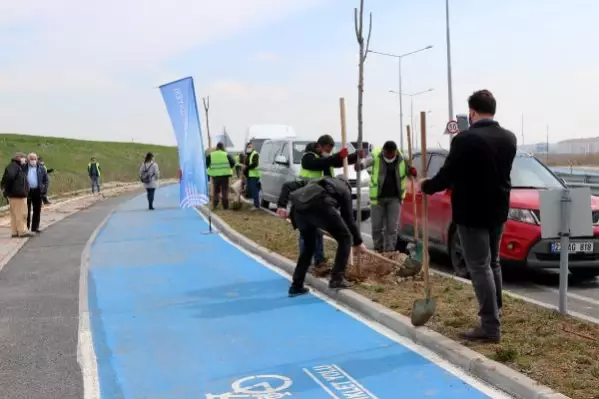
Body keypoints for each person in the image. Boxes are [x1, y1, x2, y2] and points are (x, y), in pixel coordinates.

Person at [420, 90, 517, 343]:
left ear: (472, 112)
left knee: (479, 266)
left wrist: (426, 186)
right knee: (493, 263)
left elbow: (447, 175)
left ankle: (490, 326)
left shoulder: (465, 139)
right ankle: (496, 312)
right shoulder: (509, 138)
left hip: (471, 213)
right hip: (498, 211)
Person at [276, 176, 366, 295]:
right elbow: (348, 219)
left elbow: (287, 185)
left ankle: (296, 286)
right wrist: (358, 242)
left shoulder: (316, 180)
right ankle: (336, 279)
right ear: (347, 185)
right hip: (320, 205)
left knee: (309, 247)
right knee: (345, 238)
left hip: (298, 210)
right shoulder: (344, 190)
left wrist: (281, 205)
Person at [298, 135, 360, 270]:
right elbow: (319, 163)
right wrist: (336, 156)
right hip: (306, 200)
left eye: (330, 150)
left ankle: (319, 260)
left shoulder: (326, 158)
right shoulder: (308, 157)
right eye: (326, 149)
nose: (328, 152)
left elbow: (338, 162)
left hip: (320, 201)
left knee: (318, 231)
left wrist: (354, 156)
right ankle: (305, 262)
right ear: (319, 146)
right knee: (307, 233)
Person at [356, 140, 417, 253]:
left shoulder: (402, 159)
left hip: (395, 198)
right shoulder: (377, 157)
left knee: (392, 228)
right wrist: (360, 165)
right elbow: (365, 163)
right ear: (383, 151)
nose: (389, 156)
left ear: (395, 152)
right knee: (376, 227)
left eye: (391, 154)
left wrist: (412, 171)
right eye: (387, 154)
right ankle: (378, 249)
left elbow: (410, 172)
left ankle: (390, 252)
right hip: (378, 199)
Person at [1, 152, 32, 238]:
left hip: (14, 194)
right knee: (22, 214)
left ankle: (15, 232)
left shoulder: (15, 166)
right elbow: (10, 178)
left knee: (15, 215)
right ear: (18, 157)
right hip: (18, 194)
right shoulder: (14, 166)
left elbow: (6, 180)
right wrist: (9, 189)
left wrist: (7, 190)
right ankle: (22, 231)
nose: (24, 159)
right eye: (23, 157)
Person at [206, 142, 236, 210]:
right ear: (223, 147)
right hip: (225, 176)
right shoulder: (226, 154)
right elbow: (233, 163)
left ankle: (215, 205)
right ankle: (225, 207)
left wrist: (210, 168)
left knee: (216, 191)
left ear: (216, 147)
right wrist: (229, 167)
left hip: (215, 176)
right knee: (224, 191)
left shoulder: (211, 155)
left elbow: (206, 164)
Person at [25, 152, 49, 234]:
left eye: (34, 159)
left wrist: (44, 190)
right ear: (28, 160)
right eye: (31, 159)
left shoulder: (41, 168)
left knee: (37, 210)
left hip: (38, 191)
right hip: (27, 191)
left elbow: (46, 180)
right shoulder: (24, 168)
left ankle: (35, 227)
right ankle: (26, 227)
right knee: (26, 210)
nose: (33, 161)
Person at [243, 142, 261, 210]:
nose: (249, 148)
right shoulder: (248, 154)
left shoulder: (255, 154)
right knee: (251, 190)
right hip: (249, 175)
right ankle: (255, 203)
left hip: (254, 175)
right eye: (248, 147)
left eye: (250, 147)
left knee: (254, 190)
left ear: (252, 147)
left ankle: (256, 205)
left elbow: (255, 164)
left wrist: (246, 167)